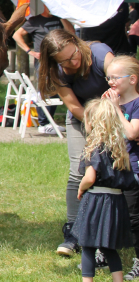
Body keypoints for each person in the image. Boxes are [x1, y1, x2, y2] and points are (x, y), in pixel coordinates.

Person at [38, 29, 114, 257]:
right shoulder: (57, 71)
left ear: (75, 42)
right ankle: (73, 233)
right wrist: (95, 127)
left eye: (73, 55)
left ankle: (115, 230)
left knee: (115, 173)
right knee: (77, 172)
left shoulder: (100, 54)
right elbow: (73, 106)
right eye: (65, 61)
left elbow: (121, 86)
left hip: (116, 115)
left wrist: (112, 126)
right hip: (83, 118)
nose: (73, 61)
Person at [71, 97, 135, 282]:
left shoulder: (94, 147)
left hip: (95, 201)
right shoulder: (119, 147)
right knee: (109, 247)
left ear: (93, 122)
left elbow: (90, 177)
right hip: (116, 201)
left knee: (88, 245)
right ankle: (118, 280)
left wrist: (81, 188)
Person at [12, 7, 74, 134]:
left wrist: (62, 16)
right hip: (43, 63)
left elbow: (71, 33)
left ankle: (49, 122)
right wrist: (30, 51)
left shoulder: (60, 20)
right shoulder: (35, 20)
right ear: (45, 5)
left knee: (58, 89)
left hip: (59, 61)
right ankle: (43, 123)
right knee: (45, 89)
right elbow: (16, 35)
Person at [106, 56, 139, 280]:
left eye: (116, 77)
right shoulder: (111, 101)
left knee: (134, 219)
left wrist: (117, 110)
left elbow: (132, 133)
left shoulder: (136, 104)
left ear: (133, 79)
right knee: (109, 214)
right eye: (108, 77)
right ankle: (103, 254)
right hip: (112, 168)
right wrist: (105, 109)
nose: (110, 82)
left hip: (133, 170)